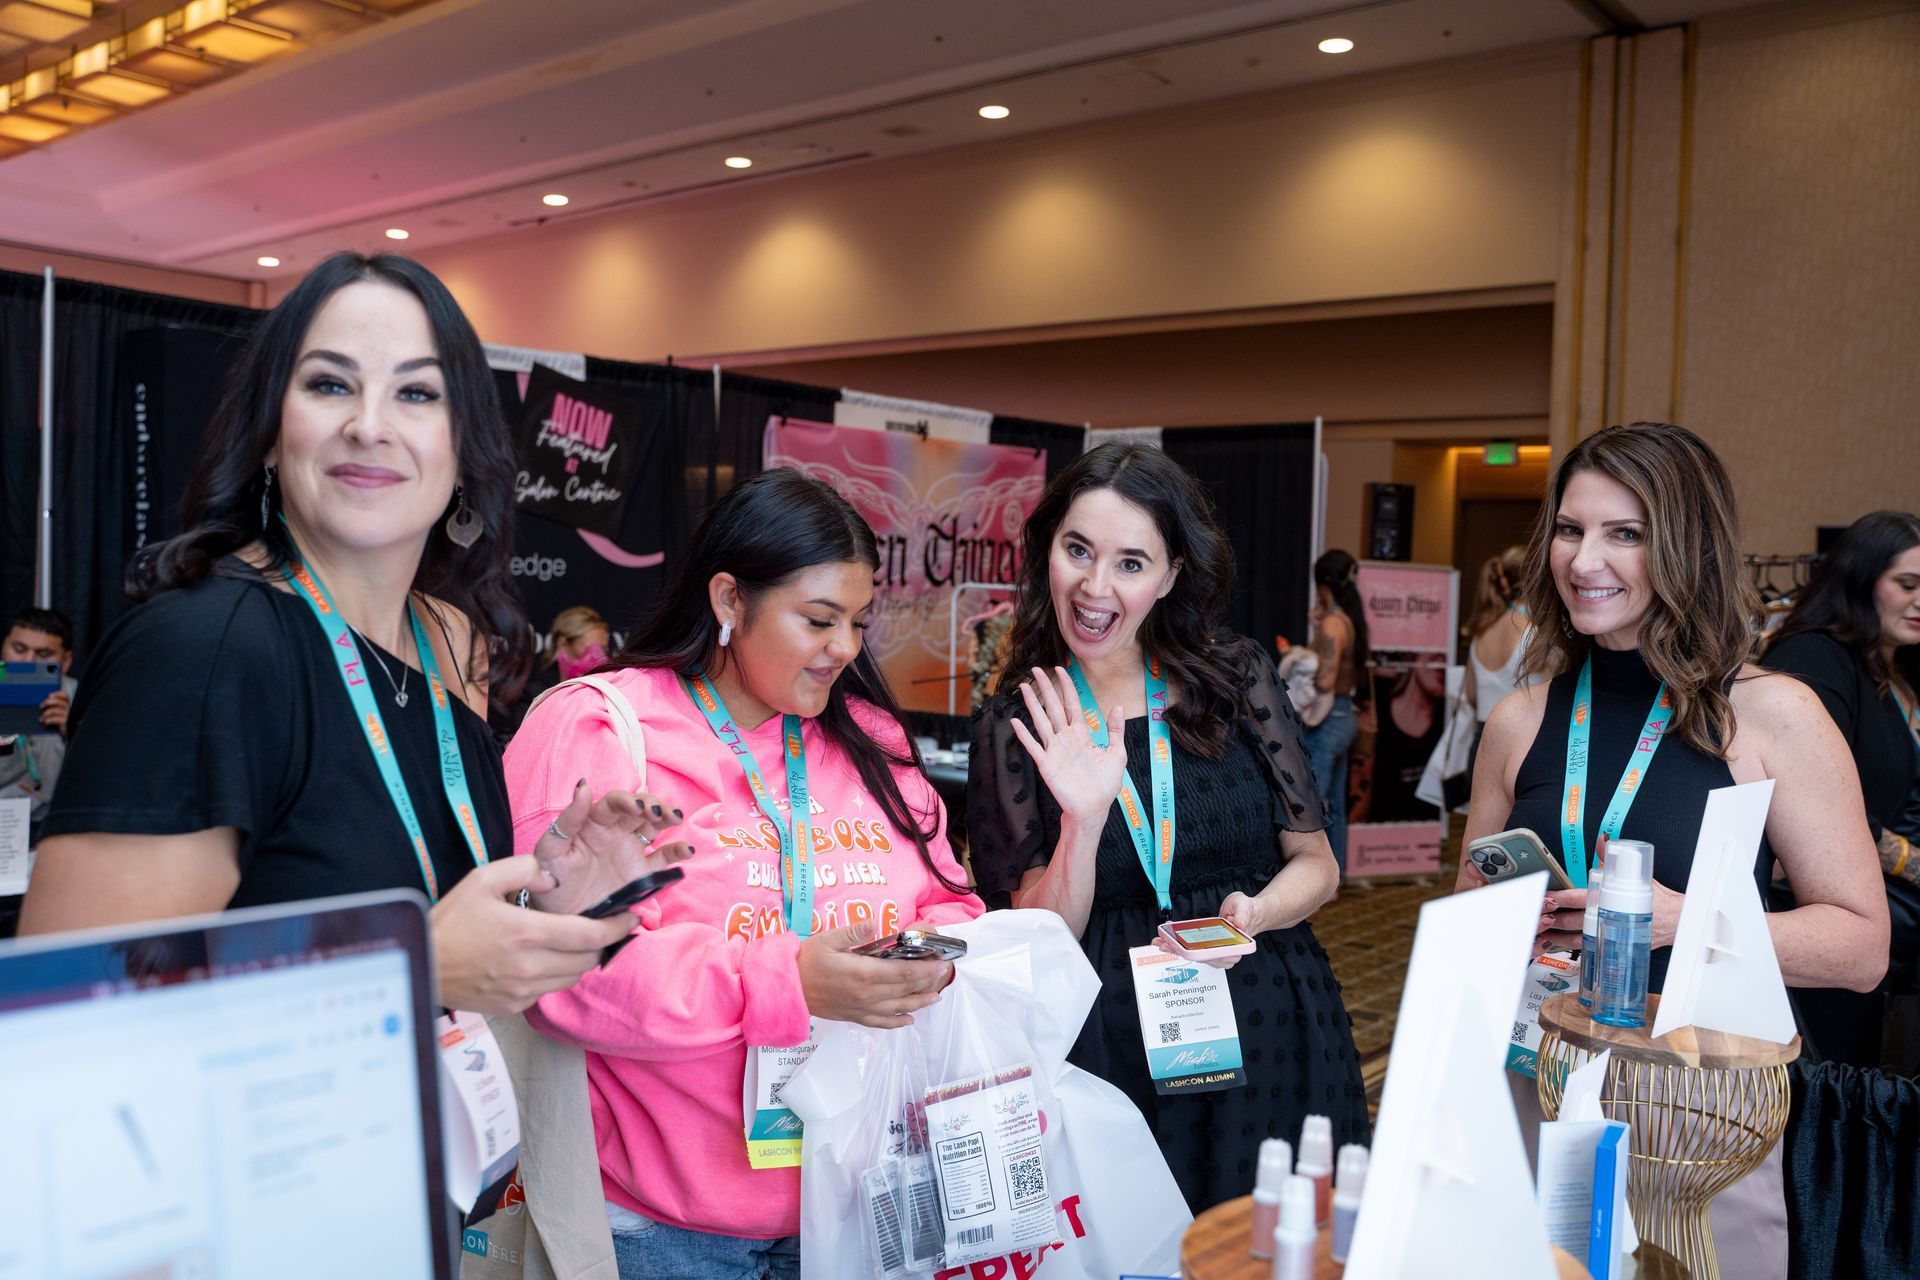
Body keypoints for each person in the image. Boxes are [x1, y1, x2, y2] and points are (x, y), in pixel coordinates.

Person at [20, 252, 683, 1018]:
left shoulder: (449, 642)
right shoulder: (204, 646)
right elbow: (71, 1014)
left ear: (463, 447)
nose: (369, 427)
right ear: (271, 431)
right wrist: (410, 969)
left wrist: (549, 906)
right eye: (330, 384)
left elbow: (405, 909)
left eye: (416, 393)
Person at [505, 467, 983, 1280]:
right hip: (662, 1232)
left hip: (862, 1208)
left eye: (860, 622)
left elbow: (951, 902)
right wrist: (789, 981)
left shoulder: (869, 739)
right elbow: (562, 972)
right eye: (819, 619)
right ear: (729, 600)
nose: (846, 649)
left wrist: (917, 960)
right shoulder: (603, 728)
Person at [1457, 422, 1888, 1278]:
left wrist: (1681, 923)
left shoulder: (1771, 714)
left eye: (1628, 534)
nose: (1586, 562)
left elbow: (1862, 948)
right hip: (1535, 1082)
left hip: (1699, 1114)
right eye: (1572, 530)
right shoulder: (1520, 722)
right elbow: (1468, 916)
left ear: (1688, 547)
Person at [966, 442, 1366, 1214]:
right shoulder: (1018, 725)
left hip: (1270, 1029)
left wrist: (1257, 911)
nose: (1094, 585)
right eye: (1077, 550)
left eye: (1130, 562)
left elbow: (1317, 865)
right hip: (1108, 1055)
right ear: (1046, 549)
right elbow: (1036, 937)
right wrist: (1082, 822)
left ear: (1172, 574)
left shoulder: (1237, 680)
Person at [1762, 510, 1920, 1069]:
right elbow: (1803, 806)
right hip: (1818, 919)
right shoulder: (1813, 658)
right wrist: (1911, 860)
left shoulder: (1888, 667)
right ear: (1860, 578)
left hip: (1877, 921)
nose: (1919, 600)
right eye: (1907, 584)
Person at [1301, 549, 1368, 876]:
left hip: (1328, 720)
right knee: (1336, 806)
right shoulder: (1347, 618)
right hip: (1345, 716)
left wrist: (1298, 669)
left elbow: (1326, 679)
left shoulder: (1332, 624)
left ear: (1321, 583)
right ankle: (1335, 877)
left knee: (1317, 804)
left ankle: (1319, 880)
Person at [0, 606, 77, 834]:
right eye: (19, 649)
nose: (27, 661)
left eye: (43, 655)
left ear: (65, 661)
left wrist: (74, 732)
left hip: (55, 826)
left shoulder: (86, 700)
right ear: (4, 647)